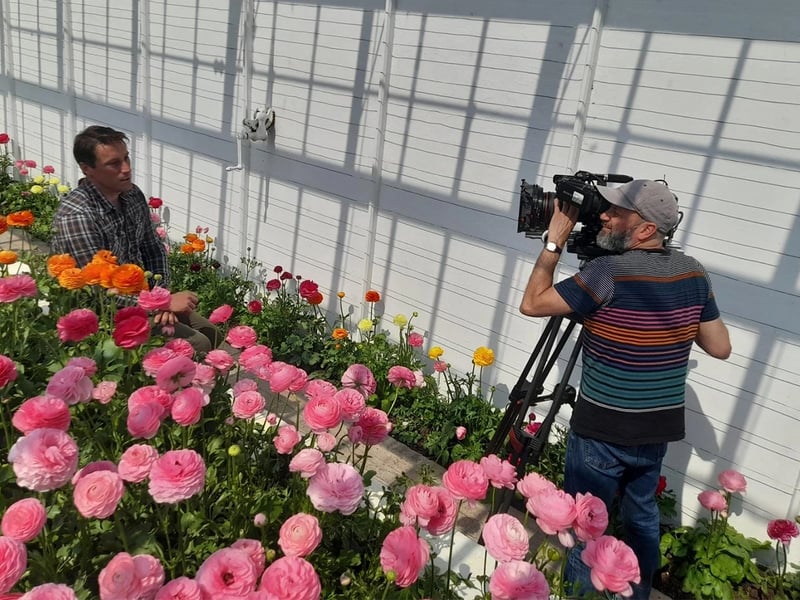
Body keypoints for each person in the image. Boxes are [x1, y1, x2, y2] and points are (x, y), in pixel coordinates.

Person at [519, 179, 731, 599]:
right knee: (642, 517)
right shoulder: (693, 271)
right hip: (655, 430)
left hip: (603, 429)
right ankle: (638, 591)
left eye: (617, 212)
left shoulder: (607, 272)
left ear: (646, 229)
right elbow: (720, 346)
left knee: (585, 525)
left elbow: (532, 303)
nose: (603, 215)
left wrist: (553, 243)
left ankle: (581, 595)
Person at [51, 125, 220, 354]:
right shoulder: (79, 217)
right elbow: (97, 293)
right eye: (114, 163)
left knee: (212, 333)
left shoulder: (131, 194)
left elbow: (153, 249)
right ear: (87, 169)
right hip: (102, 315)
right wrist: (162, 304)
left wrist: (161, 297)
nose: (126, 169)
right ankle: (159, 386)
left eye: (126, 158)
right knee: (198, 345)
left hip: (144, 298)